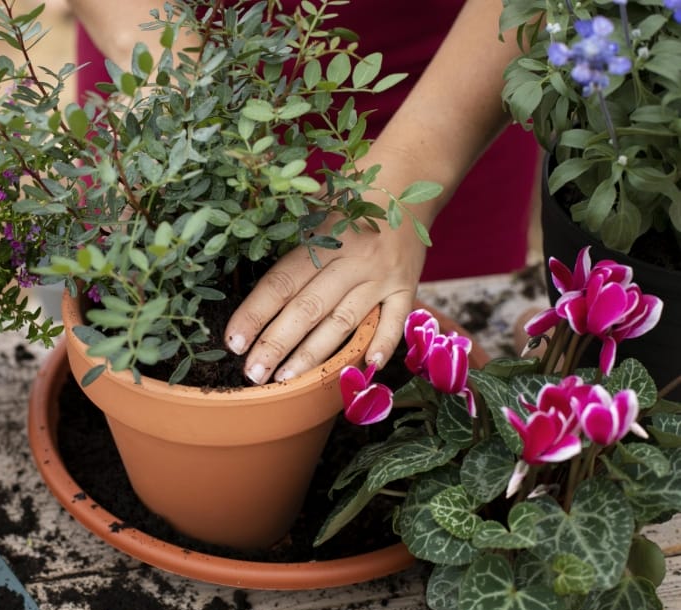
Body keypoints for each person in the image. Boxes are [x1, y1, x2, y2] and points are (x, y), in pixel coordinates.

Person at [67, 0, 540, 384]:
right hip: (166, 80)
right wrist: (165, 77)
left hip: (449, 90)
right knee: (121, 289)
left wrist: (411, 173)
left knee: (421, 353)